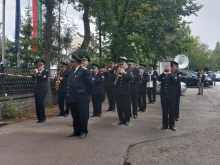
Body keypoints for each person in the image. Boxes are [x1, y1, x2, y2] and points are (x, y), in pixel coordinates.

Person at [67, 55, 93, 139]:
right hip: (73, 97)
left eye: (72, 62)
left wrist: (86, 94)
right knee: (75, 115)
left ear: (76, 63)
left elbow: (90, 84)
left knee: (83, 115)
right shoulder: (72, 71)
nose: (71, 63)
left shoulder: (84, 71)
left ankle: (83, 131)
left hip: (82, 97)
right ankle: (76, 130)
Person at [114, 58, 132, 126]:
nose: (121, 66)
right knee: (119, 106)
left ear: (125, 65)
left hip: (126, 92)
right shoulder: (116, 71)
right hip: (118, 92)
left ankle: (127, 120)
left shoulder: (128, 71)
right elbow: (114, 80)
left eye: (122, 64)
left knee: (126, 106)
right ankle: (121, 119)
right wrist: (116, 74)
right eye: (120, 64)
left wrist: (125, 73)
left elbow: (131, 78)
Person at [158, 67, 176, 131]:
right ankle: (164, 125)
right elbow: (159, 79)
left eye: (168, 68)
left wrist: (169, 73)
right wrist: (163, 73)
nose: (167, 69)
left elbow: (174, 81)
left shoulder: (173, 74)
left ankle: (171, 125)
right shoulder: (163, 74)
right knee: (164, 111)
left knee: (171, 111)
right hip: (164, 96)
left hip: (171, 96)